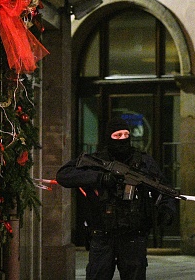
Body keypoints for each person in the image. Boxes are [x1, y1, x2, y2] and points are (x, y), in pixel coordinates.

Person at [57, 116, 177, 280]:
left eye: (126, 135)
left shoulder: (143, 162)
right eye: (117, 135)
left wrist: (167, 210)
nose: (122, 139)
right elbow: (64, 175)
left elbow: (164, 189)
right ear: (109, 137)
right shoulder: (97, 160)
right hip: (101, 235)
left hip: (133, 236)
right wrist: (100, 178)